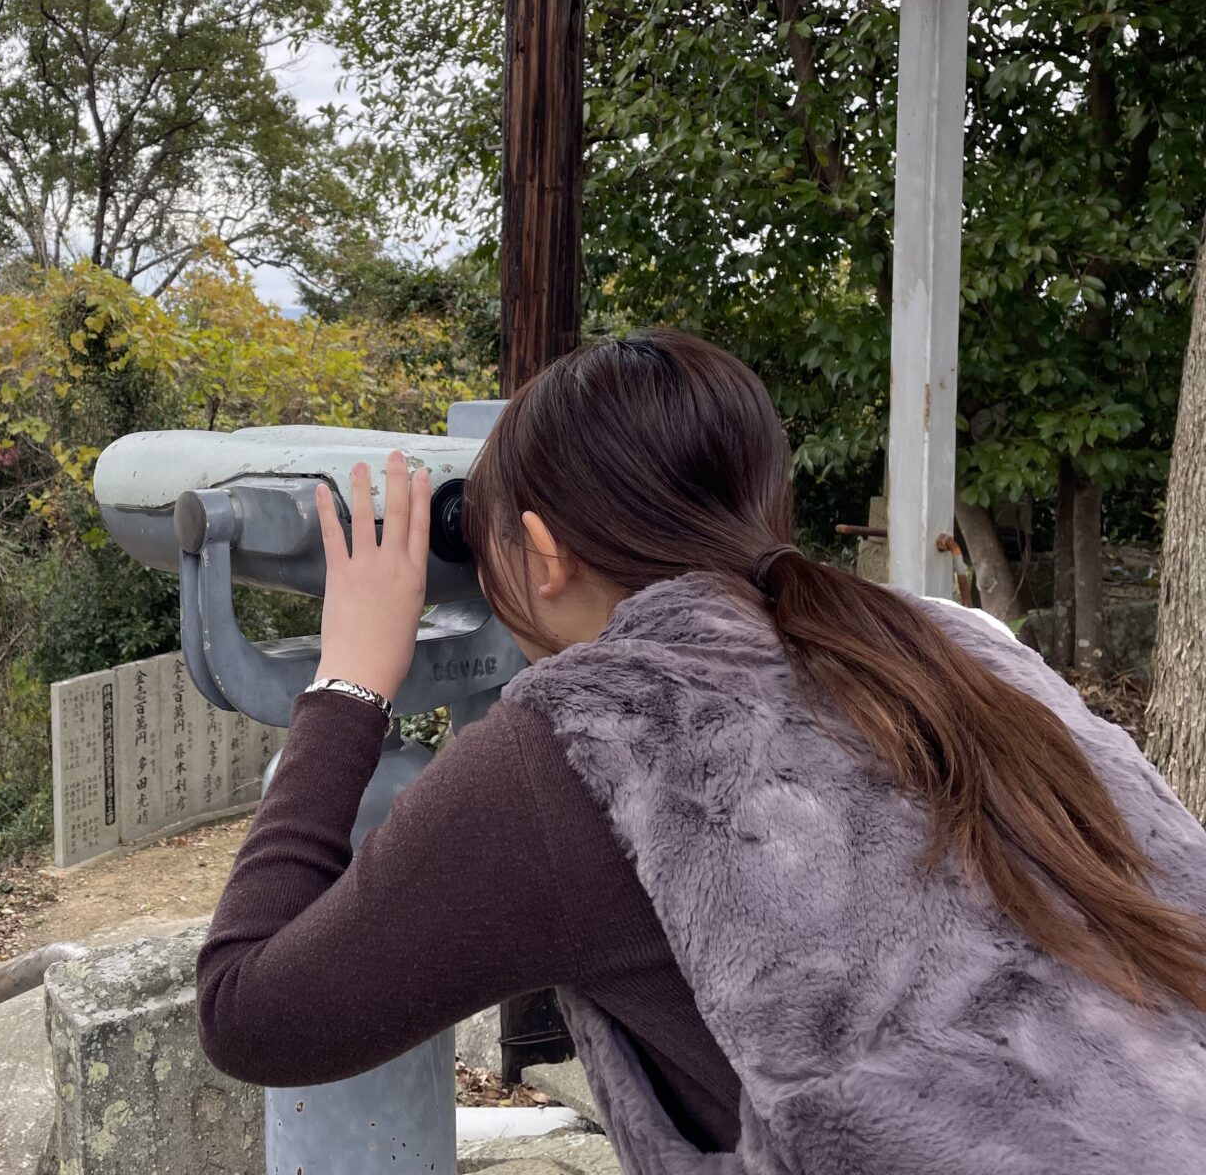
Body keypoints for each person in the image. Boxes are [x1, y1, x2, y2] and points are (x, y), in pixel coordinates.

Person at [196, 330, 1206, 1174]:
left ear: (541, 556)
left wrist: (346, 685)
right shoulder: (951, 644)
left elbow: (250, 1013)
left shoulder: (586, 749)